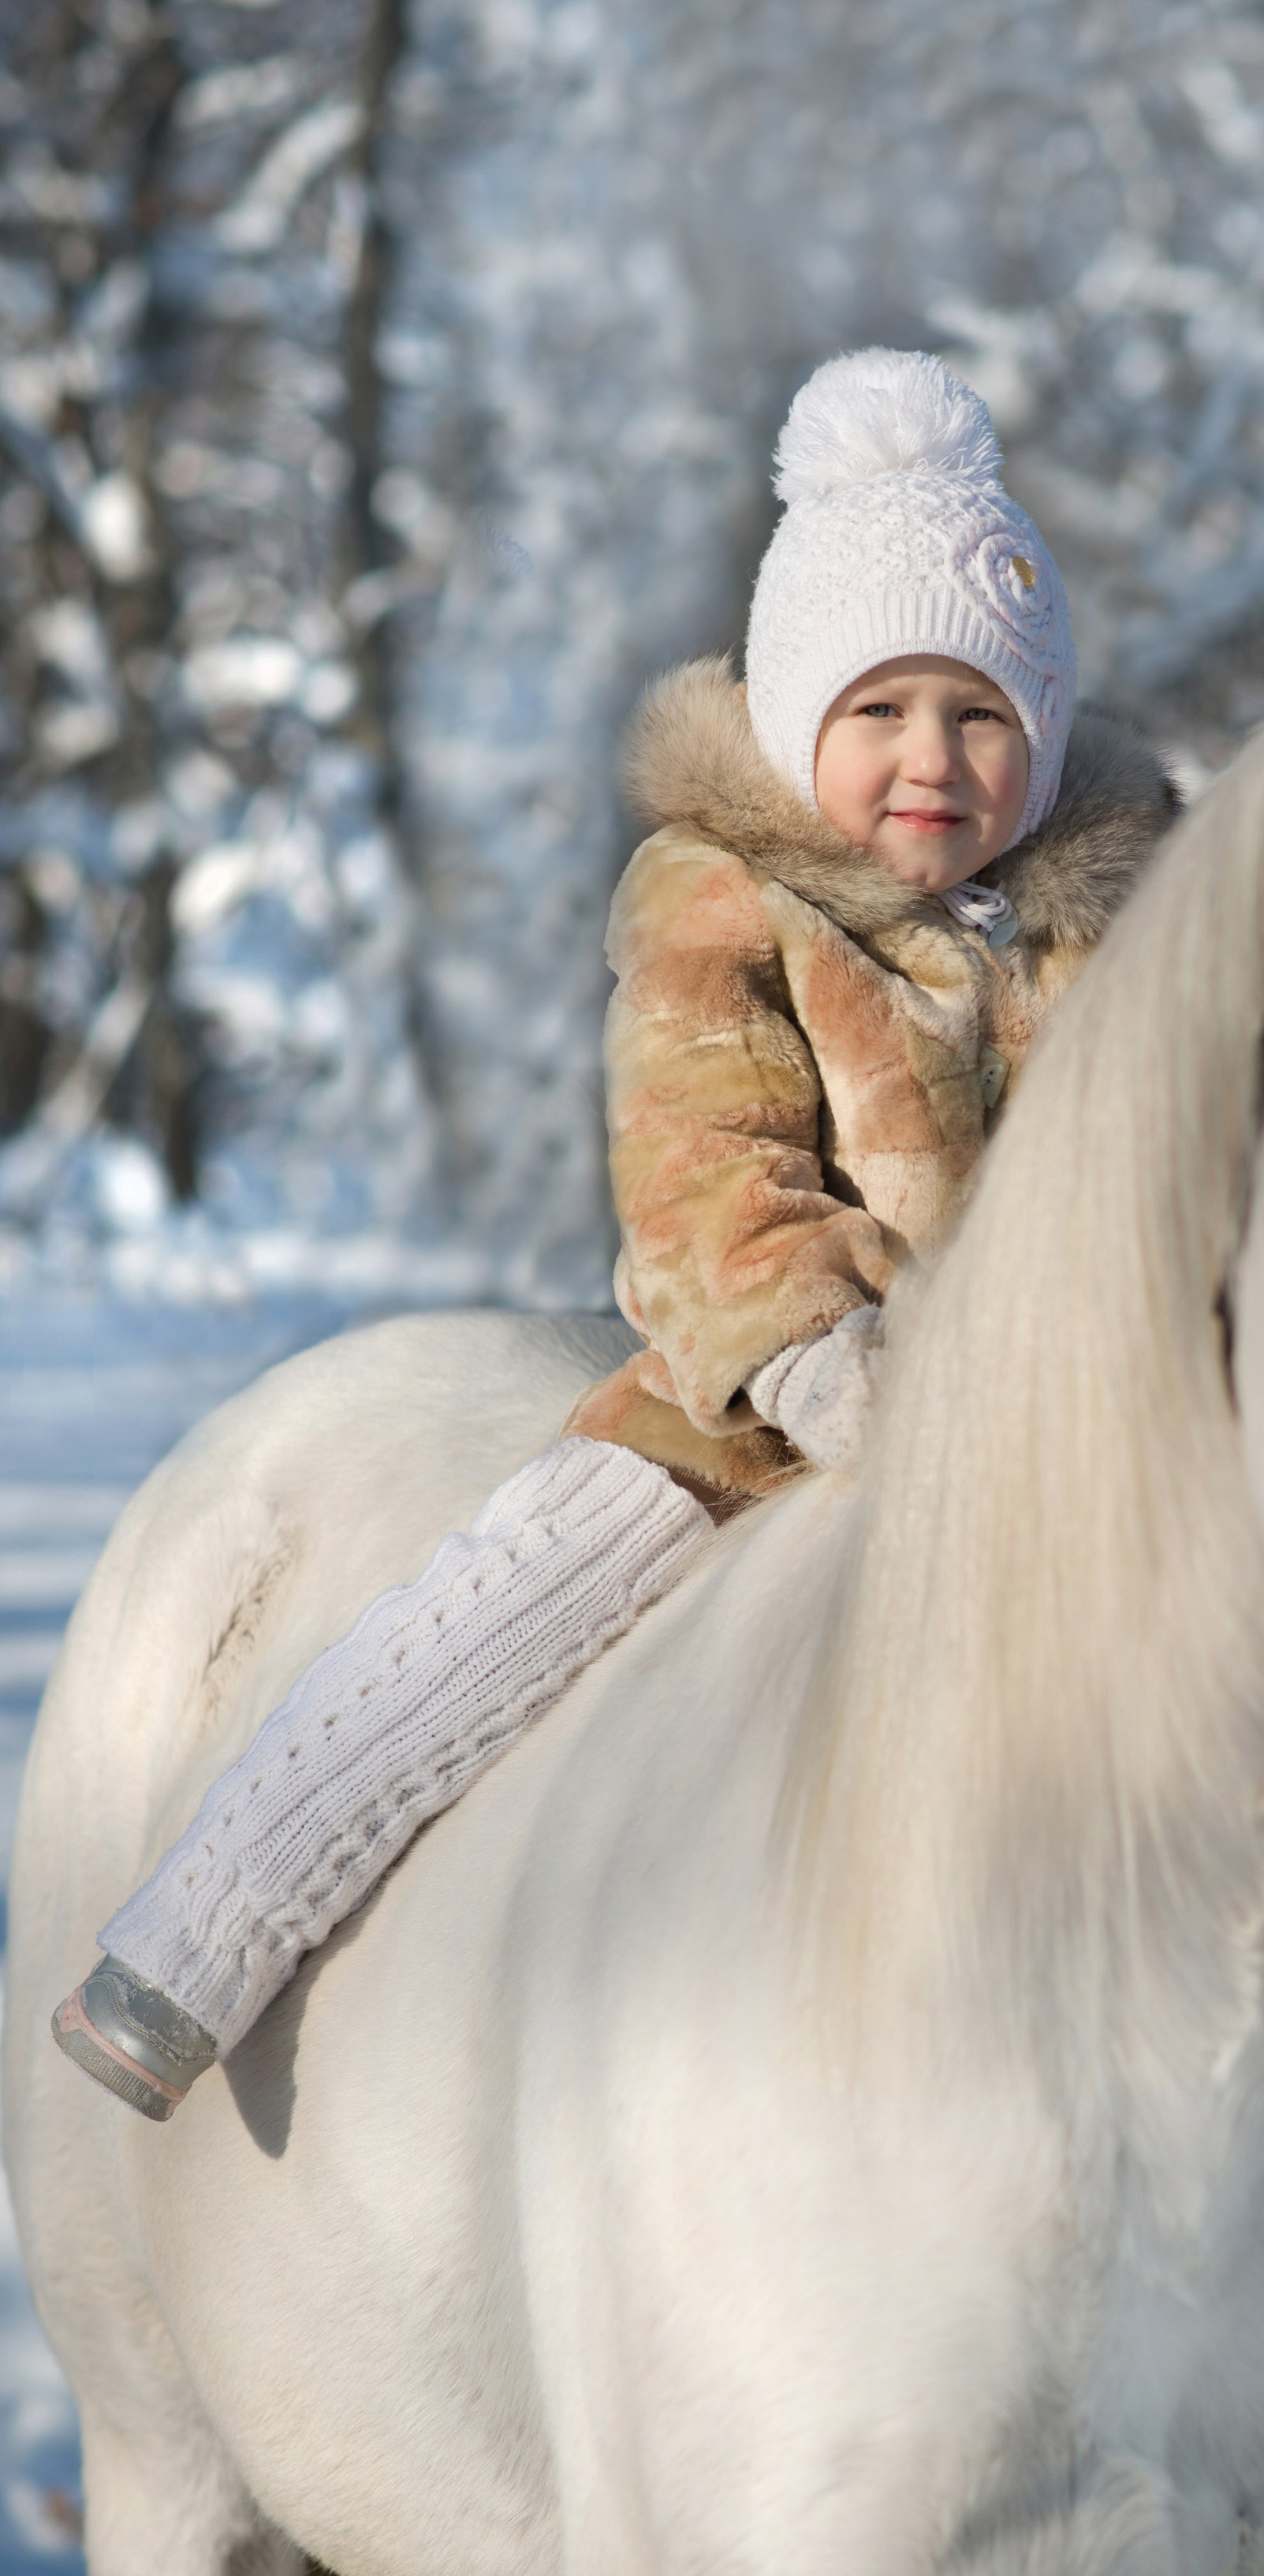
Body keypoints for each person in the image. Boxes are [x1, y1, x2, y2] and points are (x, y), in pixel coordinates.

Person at [54, 348, 1178, 2118]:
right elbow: (703, 1162)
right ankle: (212, 1923)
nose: (931, 759)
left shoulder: (1094, 939)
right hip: (757, 1407)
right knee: (505, 1611)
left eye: (981, 715)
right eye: (880, 710)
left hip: (1059, 1420)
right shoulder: (724, 900)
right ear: (798, 720)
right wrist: (829, 1360)